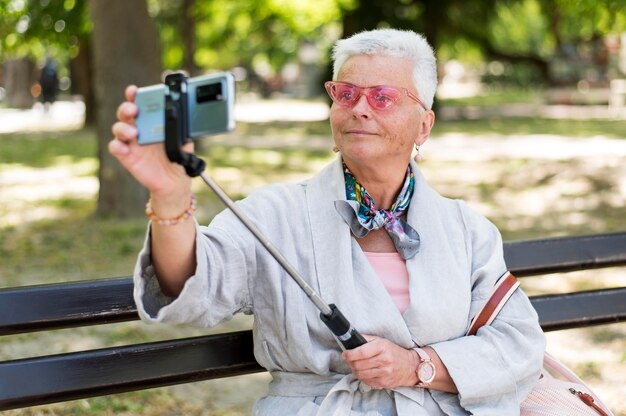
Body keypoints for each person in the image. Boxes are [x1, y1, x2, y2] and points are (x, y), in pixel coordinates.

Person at [110, 28, 545, 415]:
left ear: (424, 125)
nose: (360, 109)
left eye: (382, 97)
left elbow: (518, 344)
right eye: (346, 93)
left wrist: (417, 366)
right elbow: (193, 288)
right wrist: (170, 196)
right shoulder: (273, 214)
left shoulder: (467, 230)